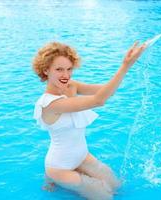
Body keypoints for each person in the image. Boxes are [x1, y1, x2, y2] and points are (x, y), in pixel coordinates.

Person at [32, 40, 147, 200]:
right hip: (60, 168)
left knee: (115, 187)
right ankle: (52, 178)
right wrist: (126, 65)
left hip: (82, 156)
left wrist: (127, 66)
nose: (65, 75)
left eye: (69, 69)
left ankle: (67, 175)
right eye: (59, 69)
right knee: (106, 197)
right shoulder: (50, 104)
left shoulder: (71, 86)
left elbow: (107, 91)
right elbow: (99, 100)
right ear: (46, 70)